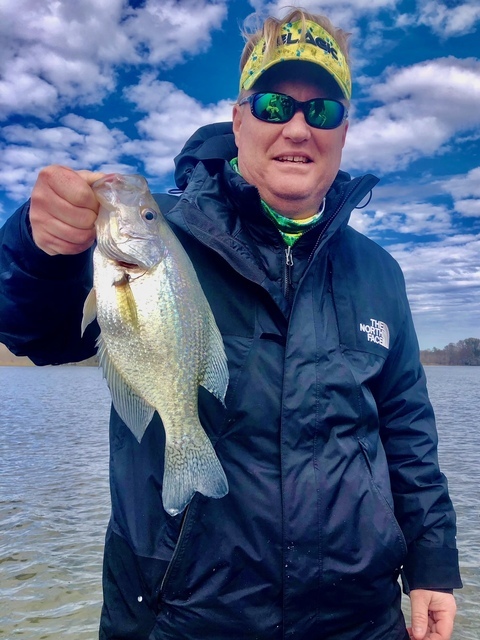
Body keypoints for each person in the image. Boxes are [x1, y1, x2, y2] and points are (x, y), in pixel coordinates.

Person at [0, 8, 462, 640]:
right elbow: (35, 334)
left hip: (358, 618)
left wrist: (433, 563)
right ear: (239, 119)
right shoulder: (158, 235)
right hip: (181, 617)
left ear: (345, 131)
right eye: (273, 104)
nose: (297, 127)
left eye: (322, 110)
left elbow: (408, 430)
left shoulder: (379, 273)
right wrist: (37, 247)